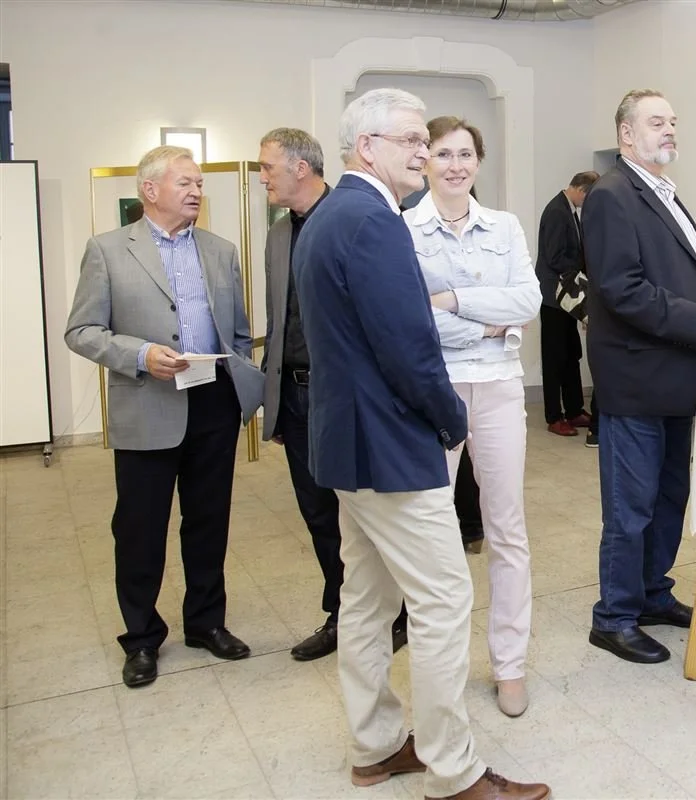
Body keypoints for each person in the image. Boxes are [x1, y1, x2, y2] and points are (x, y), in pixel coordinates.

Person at [292, 88, 548, 798]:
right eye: (410, 140)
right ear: (366, 146)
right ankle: (453, 770)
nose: (422, 151)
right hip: (390, 447)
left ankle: (374, 746)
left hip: (348, 444)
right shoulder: (375, 221)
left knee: (367, 599)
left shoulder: (328, 215)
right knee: (442, 600)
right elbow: (409, 347)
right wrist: (450, 420)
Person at [64, 145, 265, 688]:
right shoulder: (107, 250)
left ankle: (206, 623)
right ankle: (141, 638)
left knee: (209, 521)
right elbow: (81, 331)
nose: (197, 190)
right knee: (140, 529)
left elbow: (238, 330)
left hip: (212, 404)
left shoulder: (221, 250)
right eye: (185, 182)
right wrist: (139, 355)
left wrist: (240, 381)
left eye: (199, 182)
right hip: (147, 403)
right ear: (149, 190)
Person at [582, 89, 696, 664]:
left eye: (672, 121)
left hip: (677, 377)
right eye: (656, 122)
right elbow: (621, 290)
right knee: (631, 509)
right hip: (636, 381)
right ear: (626, 134)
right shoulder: (611, 195)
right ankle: (614, 617)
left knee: (670, 497)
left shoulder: (660, 190)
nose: (670, 129)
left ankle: (652, 593)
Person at [404, 115, 541, 717]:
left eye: (465, 154)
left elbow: (529, 300)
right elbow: (412, 319)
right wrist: (487, 325)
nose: (455, 165)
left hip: (500, 389)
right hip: (436, 390)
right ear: (424, 161)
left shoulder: (505, 226)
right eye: (443, 153)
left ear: (478, 162)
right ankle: (441, 669)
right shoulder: (404, 229)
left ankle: (510, 664)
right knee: (431, 533)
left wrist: (455, 299)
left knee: (507, 530)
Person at [258, 127, 409, 661]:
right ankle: (342, 613)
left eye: (267, 167)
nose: (262, 178)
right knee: (319, 513)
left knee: (370, 516)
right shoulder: (279, 234)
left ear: (301, 168)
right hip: (297, 395)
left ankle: (394, 612)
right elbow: (279, 320)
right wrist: (273, 397)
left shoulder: (351, 219)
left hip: (348, 398)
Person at [535, 171, 598, 438]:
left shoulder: (568, 209)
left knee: (571, 354)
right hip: (554, 296)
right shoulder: (556, 211)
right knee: (554, 358)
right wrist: (582, 274)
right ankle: (554, 416)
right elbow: (555, 257)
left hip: (567, 298)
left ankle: (574, 409)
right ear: (581, 190)